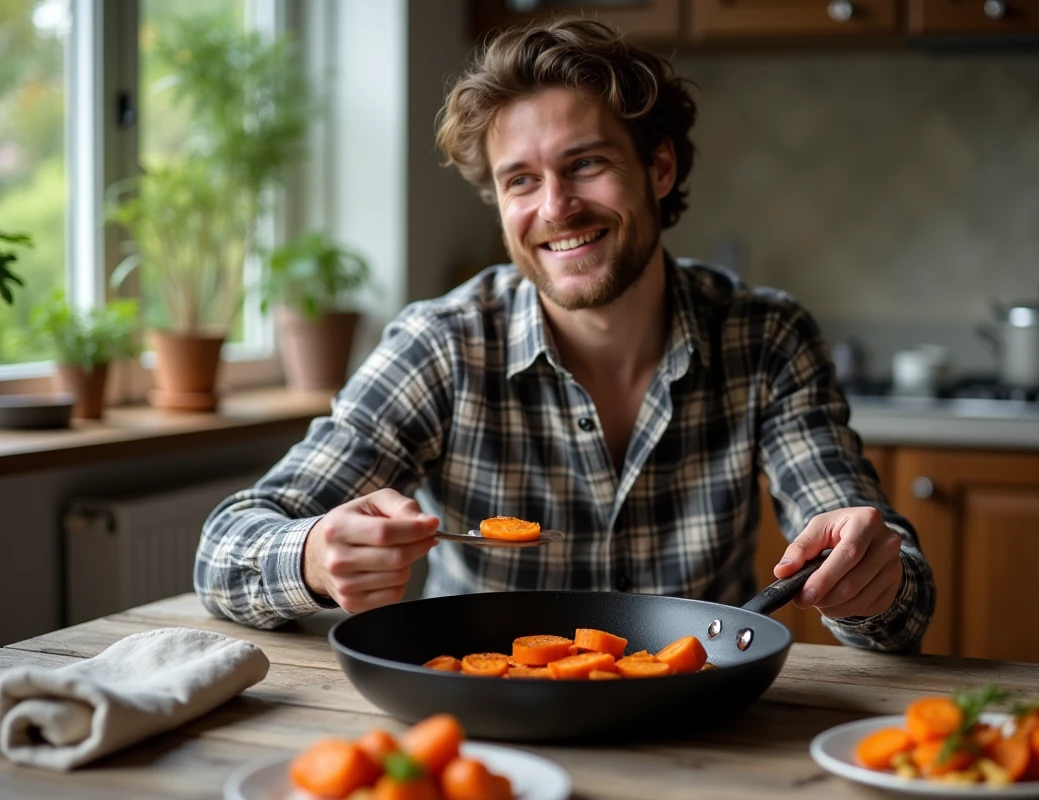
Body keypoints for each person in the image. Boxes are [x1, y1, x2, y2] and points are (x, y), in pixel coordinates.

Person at [195, 18, 935, 652]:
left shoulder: (767, 337)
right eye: (520, 180)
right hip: (486, 722)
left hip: (698, 720)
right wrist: (316, 557)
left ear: (660, 167)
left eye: (586, 163)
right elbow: (224, 548)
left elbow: (896, 604)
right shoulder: (442, 346)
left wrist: (871, 578)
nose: (556, 208)